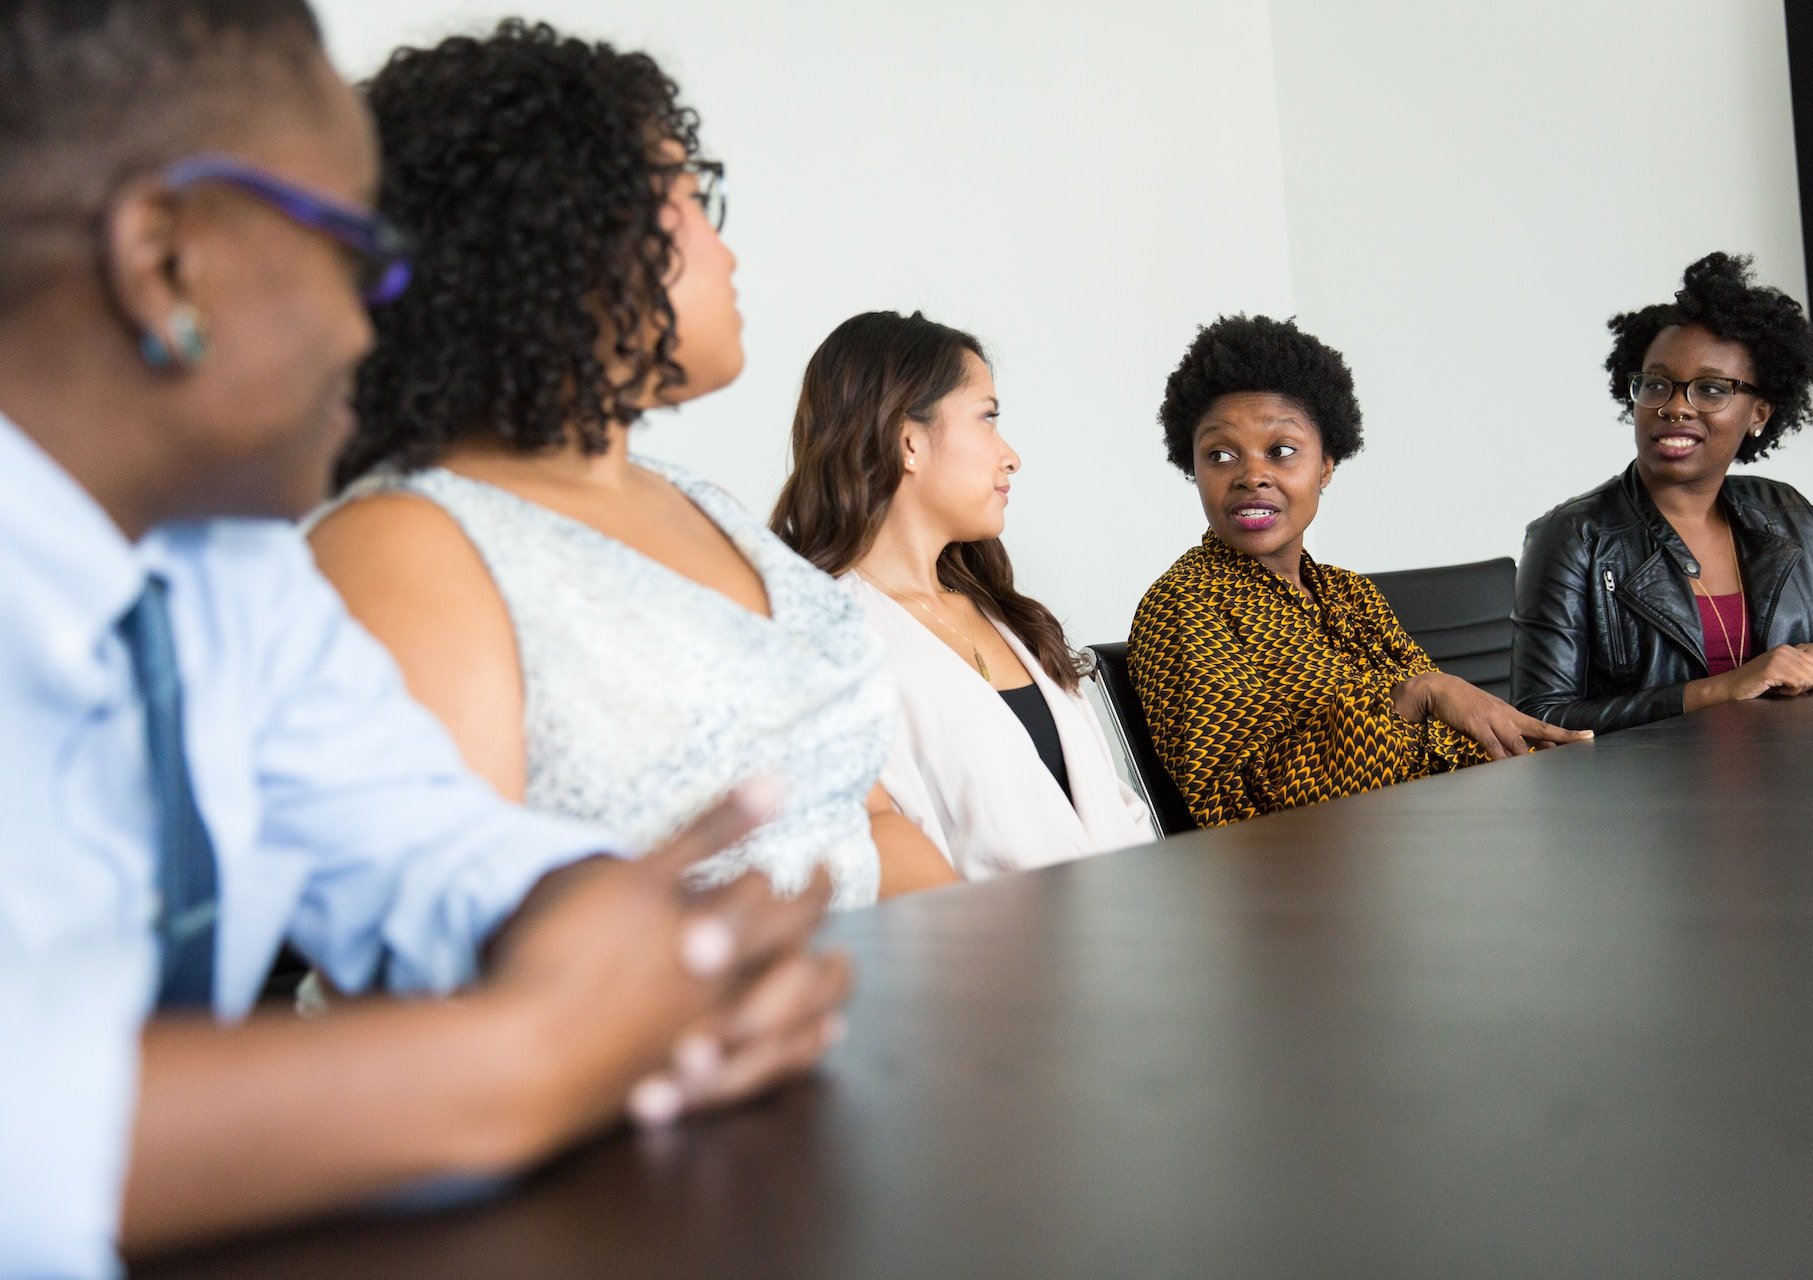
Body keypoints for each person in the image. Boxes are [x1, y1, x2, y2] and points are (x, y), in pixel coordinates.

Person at [0, 4, 848, 1273]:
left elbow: (427, 845)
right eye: (355, 247)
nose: (377, 317)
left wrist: (642, 949)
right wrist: (530, 1056)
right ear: (163, 263)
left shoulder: (228, 573)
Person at [309, 22, 955, 907]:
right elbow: (451, 968)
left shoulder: (705, 506)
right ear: (562, 227)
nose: (724, 249)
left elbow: (865, 821)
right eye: (692, 198)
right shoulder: (404, 545)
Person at [1129, 314, 1589, 827]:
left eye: (1281, 451)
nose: (1251, 475)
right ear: (1194, 470)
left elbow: (1446, 733)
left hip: (1433, 835)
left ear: (1326, 465)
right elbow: (1237, 808)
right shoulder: (1184, 607)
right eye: (1220, 455)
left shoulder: (1350, 593)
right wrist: (1412, 697)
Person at [771, 311, 1156, 877]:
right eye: (987, 417)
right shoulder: (827, 640)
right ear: (908, 440)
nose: (1010, 456)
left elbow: (1116, 811)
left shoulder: (1011, 616)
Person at [1511, 252, 1813, 733]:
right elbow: (1537, 720)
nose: (1676, 407)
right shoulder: (1574, 537)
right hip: (1650, 798)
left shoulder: (1784, 515)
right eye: (1657, 385)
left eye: (1710, 390)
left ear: (1760, 414)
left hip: (1797, 777)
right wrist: (1720, 691)